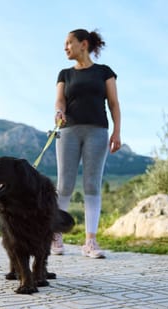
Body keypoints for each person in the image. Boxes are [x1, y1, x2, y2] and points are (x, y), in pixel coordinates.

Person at [51, 28, 122, 258]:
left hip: (97, 131)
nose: (65, 47)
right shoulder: (64, 74)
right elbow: (59, 101)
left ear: (83, 44)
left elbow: (113, 104)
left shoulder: (104, 72)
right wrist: (59, 112)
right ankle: (56, 235)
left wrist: (117, 132)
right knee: (65, 185)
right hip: (68, 131)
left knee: (92, 184)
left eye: (69, 43)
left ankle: (90, 242)